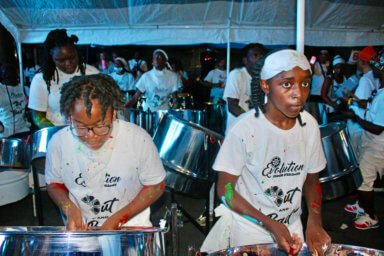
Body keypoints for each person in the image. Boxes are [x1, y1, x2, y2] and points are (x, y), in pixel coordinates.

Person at [201, 49, 331, 255]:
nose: (298, 94)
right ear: (265, 85)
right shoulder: (245, 128)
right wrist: (268, 223)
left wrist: (314, 221)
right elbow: (225, 191)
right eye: (286, 84)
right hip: (249, 232)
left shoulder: (310, 125)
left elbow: (312, 180)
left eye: (305, 83)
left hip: (292, 231)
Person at [45, 74, 166, 230]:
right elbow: (54, 183)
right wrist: (69, 209)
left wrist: (117, 219)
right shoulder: (58, 143)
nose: (91, 135)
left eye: (100, 126)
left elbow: (156, 185)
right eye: (80, 127)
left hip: (131, 226)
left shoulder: (138, 139)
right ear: (70, 118)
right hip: (84, 228)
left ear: (113, 114)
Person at [343, 50, 384, 230]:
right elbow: (374, 108)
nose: (375, 68)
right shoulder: (381, 90)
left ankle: (371, 216)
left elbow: (378, 127)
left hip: (377, 144)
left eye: (378, 66)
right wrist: (362, 104)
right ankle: (362, 206)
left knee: (364, 180)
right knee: (363, 175)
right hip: (371, 141)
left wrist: (355, 117)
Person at [28, 29, 99, 128]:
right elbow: (37, 116)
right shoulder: (42, 79)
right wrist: (58, 134)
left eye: (72, 57)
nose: (68, 63)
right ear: (52, 57)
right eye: (61, 60)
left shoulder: (92, 73)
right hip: (57, 134)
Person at [223, 43, 265, 132]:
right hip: (238, 131)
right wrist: (252, 122)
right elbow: (232, 106)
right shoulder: (237, 75)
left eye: (262, 55)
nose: (260, 58)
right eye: (255, 55)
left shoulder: (263, 77)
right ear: (245, 60)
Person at [346, 46, 379, 157]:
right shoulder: (376, 78)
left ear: (362, 61)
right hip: (366, 124)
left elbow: (361, 104)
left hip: (358, 124)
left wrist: (348, 101)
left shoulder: (366, 79)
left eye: (358, 60)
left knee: (355, 156)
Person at [0, 64, 31, 138]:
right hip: (6, 132)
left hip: (23, 129)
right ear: (4, 77)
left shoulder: (19, 87)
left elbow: (24, 105)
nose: (16, 79)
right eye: (12, 78)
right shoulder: (1, 90)